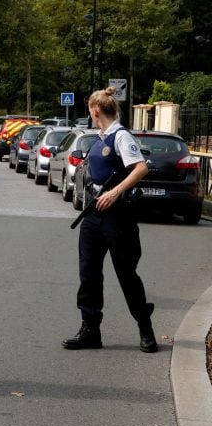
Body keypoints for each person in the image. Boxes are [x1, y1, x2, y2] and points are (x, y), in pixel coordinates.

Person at [62, 86, 157, 353]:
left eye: (90, 111)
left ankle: (145, 327)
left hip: (117, 216)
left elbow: (141, 168)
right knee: (89, 273)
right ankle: (90, 330)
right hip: (93, 214)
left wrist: (116, 192)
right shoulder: (100, 137)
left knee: (126, 274)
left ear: (95, 111)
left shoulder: (121, 136)